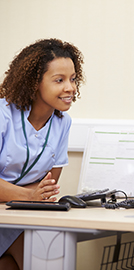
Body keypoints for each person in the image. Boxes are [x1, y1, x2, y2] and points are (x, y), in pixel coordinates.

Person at [0, 38, 84, 270]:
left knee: (48, 245)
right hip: (8, 218)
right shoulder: (3, 115)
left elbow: (47, 188)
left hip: (22, 218)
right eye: (59, 80)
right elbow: (36, 194)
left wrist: (17, 194)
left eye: (73, 79)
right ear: (34, 82)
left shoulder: (62, 123)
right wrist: (28, 196)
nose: (70, 88)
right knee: (44, 250)